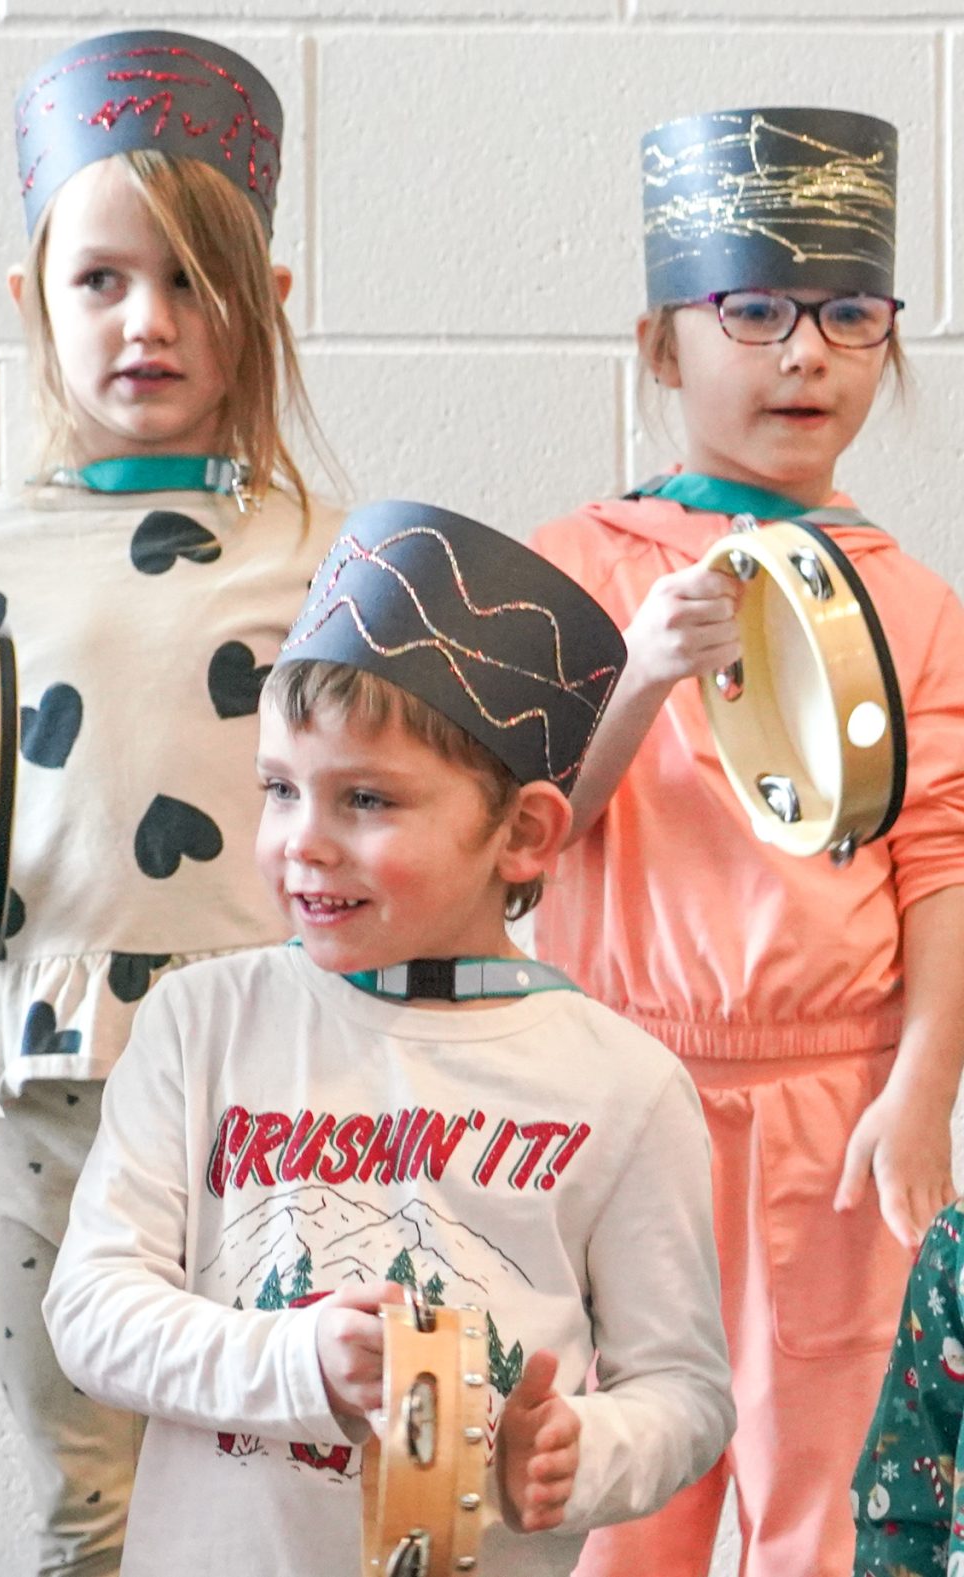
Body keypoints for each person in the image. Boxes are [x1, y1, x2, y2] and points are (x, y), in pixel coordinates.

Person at [43, 501, 733, 1574]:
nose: (302, 842)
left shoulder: (623, 1086)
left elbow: (684, 1390)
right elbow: (91, 1310)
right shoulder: (200, 1023)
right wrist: (298, 1359)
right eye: (280, 789)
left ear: (523, 833)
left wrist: (584, 1451)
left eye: (364, 798)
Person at [0, 31, 335, 1573]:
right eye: (103, 280)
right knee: (89, 1488)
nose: (148, 320)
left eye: (194, 280)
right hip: (48, 1066)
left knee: (272, 1463)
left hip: (268, 1062)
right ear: (35, 300)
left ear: (266, 301)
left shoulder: (328, 552)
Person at [525, 107, 964, 1577]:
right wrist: (643, 672)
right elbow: (523, 834)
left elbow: (940, 860)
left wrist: (921, 1087)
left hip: (836, 1109)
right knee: (622, 1490)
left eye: (849, 314)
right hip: (617, 1085)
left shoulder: (914, 604)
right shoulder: (578, 570)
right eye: (756, 311)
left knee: (827, 1486)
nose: (805, 355)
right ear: (662, 347)